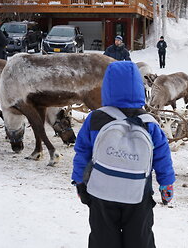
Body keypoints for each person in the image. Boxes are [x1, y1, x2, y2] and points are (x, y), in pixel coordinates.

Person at [71, 61, 175, 248]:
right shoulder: (148, 122)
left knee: (103, 239)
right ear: (138, 87)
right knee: (139, 239)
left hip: (101, 193)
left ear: (107, 87)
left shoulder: (95, 119)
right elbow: (162, 156)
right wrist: (166, 184)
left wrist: (79, 181)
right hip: (138, 193)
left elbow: (82, 152)